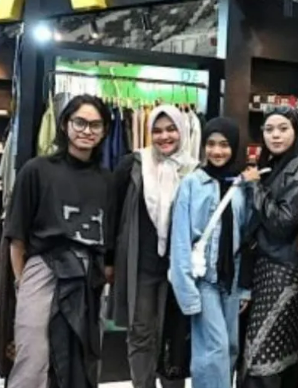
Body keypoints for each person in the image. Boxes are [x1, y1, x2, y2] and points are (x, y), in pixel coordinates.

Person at [4, 94, 114, 388]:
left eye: (95, 125)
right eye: (80, 122)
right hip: (44, 269)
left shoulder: (108, 181)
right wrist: (22, 282)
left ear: (104, 131)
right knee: (33, 357)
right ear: (65, 124)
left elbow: (111, 239)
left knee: (82, 362)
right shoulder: (37, 170)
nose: (87, 131)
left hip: (89, 277)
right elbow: (16, 236)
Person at [106, 105, 197, 388]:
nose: (164, 136)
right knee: (141, 332)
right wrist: (109, 260)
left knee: (173, 334)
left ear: (182, 130)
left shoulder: (193, 170)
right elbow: (112, 213)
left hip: (179, 269)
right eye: (157, 130)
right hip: (141, 265)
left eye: (171, 129)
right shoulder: (133, 164)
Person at [169, 117, 252, 388]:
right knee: (213, 350)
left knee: (230, 348)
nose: (217, 151)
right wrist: (186, 292)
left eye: (224, 145)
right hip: (203, 280)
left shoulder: (241, 186)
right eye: (211, 144)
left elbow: (246, 238)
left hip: (231, 281)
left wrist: (244, 288)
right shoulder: (192, 183)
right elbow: (180, 240)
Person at [239, 107, 298, 388]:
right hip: (265, 266)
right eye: (269, 129)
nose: (275, 135)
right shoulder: (271, 166)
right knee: (271, 347)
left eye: (283, 128)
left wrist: (255, 188)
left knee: (263, 349)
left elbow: (282, 223)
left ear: (295, 131)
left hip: (283, 270)